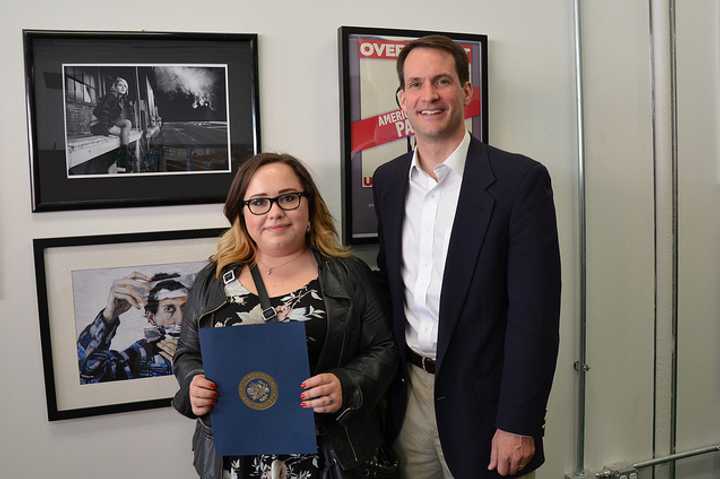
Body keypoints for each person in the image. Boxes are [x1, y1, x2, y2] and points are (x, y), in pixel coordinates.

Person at [372, 35, 561, 479]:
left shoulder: (519, 181)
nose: (429, 95)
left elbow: (535, 316)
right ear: (402, 99)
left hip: (486, 404)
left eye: (442, 81)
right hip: (408, 395)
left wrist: (519, 421)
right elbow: (388, 284)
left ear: (467, 92)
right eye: (415, 84)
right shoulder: (389, 180)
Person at [172, 153, 398, 479]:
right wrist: (194, 382)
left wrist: (346, 384)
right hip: (237, 463)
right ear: (241, 212)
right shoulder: (213, 279)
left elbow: (386, 350)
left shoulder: (349, 275)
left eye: (288, 198)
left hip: (330, 460)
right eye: (259, 202)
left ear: (309, 206)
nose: (275, 212)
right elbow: (187, 354)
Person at [77, 272, 189, 383]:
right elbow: (88, 375)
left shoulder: (205, 346)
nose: (181, 319)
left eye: (186, 307)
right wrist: (108, 317)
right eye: (169, 309)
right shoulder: (140, 354)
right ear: (151, 318)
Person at [89, 76, 135, 173]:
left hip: (107, 122)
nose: (123, 87)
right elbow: (104, 112)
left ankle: (121, 160)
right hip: (98, 124)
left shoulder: (118, 99)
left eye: (125, 86)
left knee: (127, 124)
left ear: (127, 89)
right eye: (120, 85)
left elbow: (113, 117)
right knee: (124, 134)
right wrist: (105, 129)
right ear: (115, 87)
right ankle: (121, 161)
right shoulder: (112, 96)